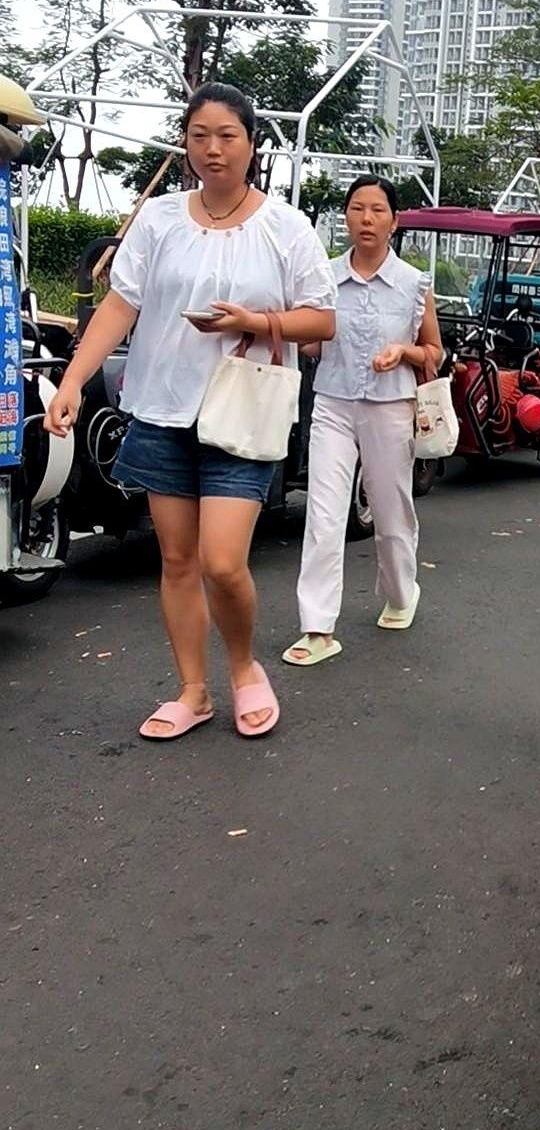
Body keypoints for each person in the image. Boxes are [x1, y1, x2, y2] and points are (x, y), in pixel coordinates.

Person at [44, 82, 337, 741]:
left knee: (223, 561)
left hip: (241, 416)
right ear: (185, 143)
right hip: (162, 410)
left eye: (227, 136)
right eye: (199, 135)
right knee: (176, 559)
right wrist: (73, 379)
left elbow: (322, 320)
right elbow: (122, 304)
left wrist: (255, 320)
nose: (213, 149)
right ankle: (192, 690)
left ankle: (242, 669)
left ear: (252, 144)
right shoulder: (160, 220)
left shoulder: (284, 226)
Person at [283, 176, 442, 664]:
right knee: (324, 513)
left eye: (377, 210)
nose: (366, 219)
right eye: (356, 209)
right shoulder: (324, 279)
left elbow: (434, 353)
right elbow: (310, 343)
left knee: (391, 512)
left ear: (395, 221)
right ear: (346, 217)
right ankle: (317, 628)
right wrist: (288, 333)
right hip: (332, 405)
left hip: (390, 409)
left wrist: (405, 352)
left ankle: (400, 592)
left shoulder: (414, 284)